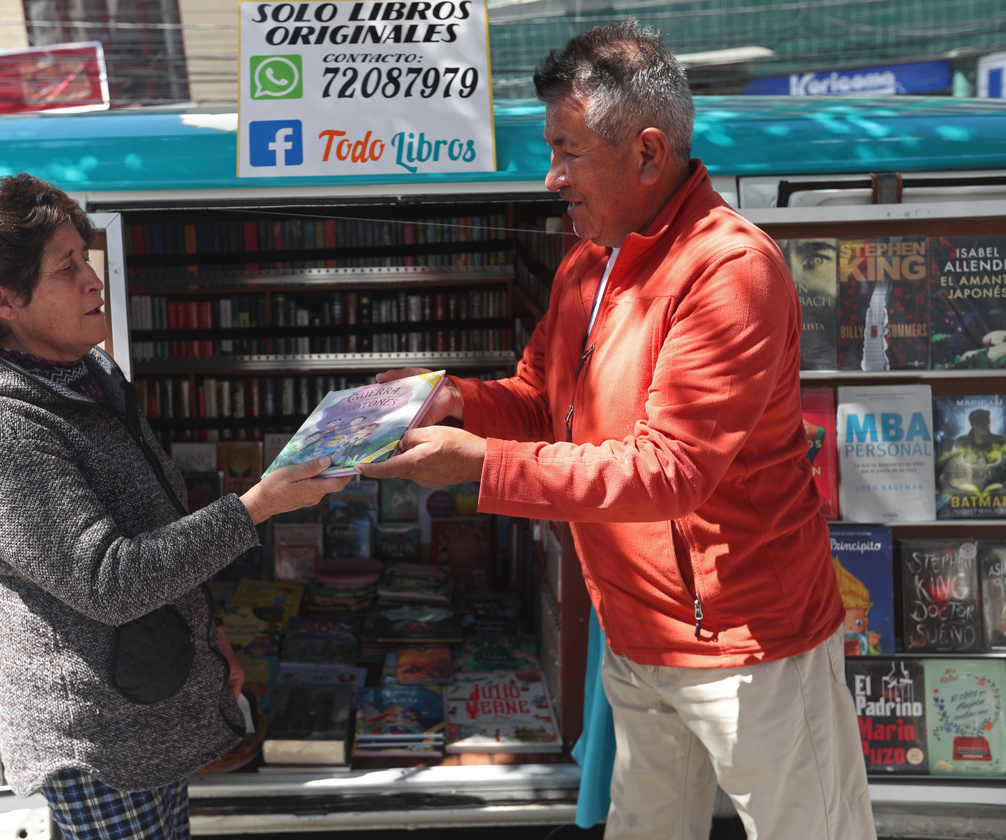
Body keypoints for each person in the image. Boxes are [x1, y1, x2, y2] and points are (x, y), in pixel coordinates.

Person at [358, 20, 875, 840]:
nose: (550, 177)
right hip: (637, 638)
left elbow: (667, 473)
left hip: (752, 650)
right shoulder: (588, 260)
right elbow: (538, 404)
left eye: (567, 152)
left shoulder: (728, 270)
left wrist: (478, 466)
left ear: (645, 154)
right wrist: (450, 400)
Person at [0, 173, 348, 839]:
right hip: (100, 740)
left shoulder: (86, 374)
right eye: (67, 269)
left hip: (150, 702)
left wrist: (210, 642)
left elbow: (154, 522)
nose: (94, 282)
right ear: (3, 299)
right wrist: (256, 507)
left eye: (86, 261)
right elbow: (110, 579)